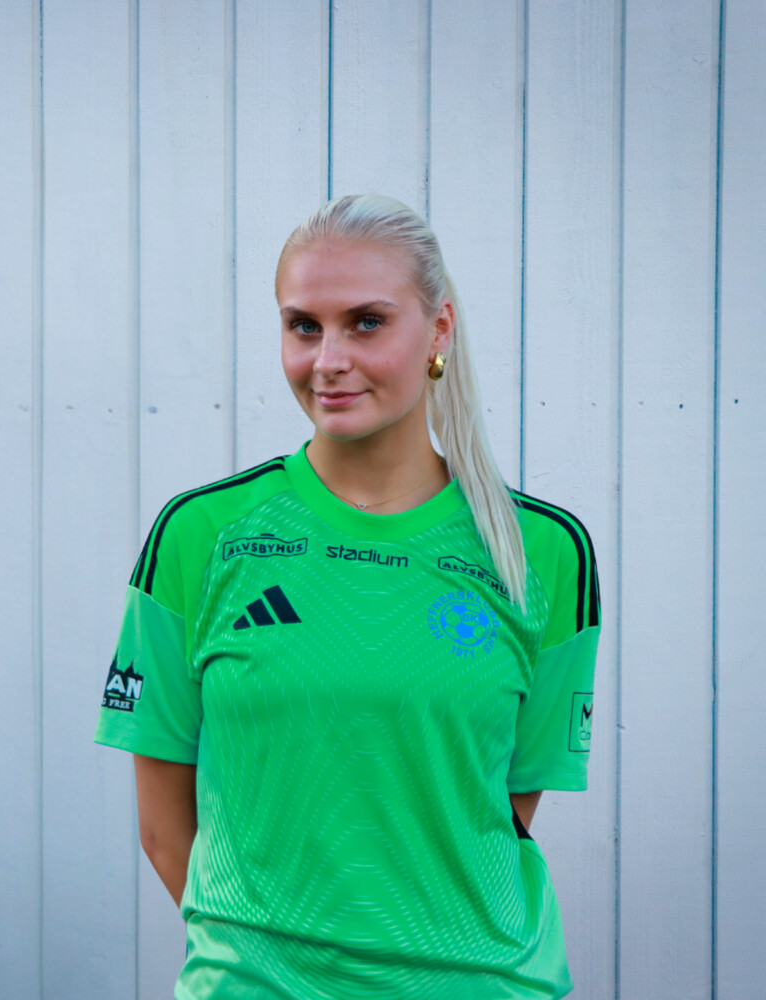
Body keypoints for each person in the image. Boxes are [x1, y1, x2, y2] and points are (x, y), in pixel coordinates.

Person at [95, 194, 600, 999]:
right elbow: (164, 828)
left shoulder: (541, 551)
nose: (327, 359)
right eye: (304, 326)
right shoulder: (202, 535)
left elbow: (493, 808)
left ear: (438, 330)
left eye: (366, 323)